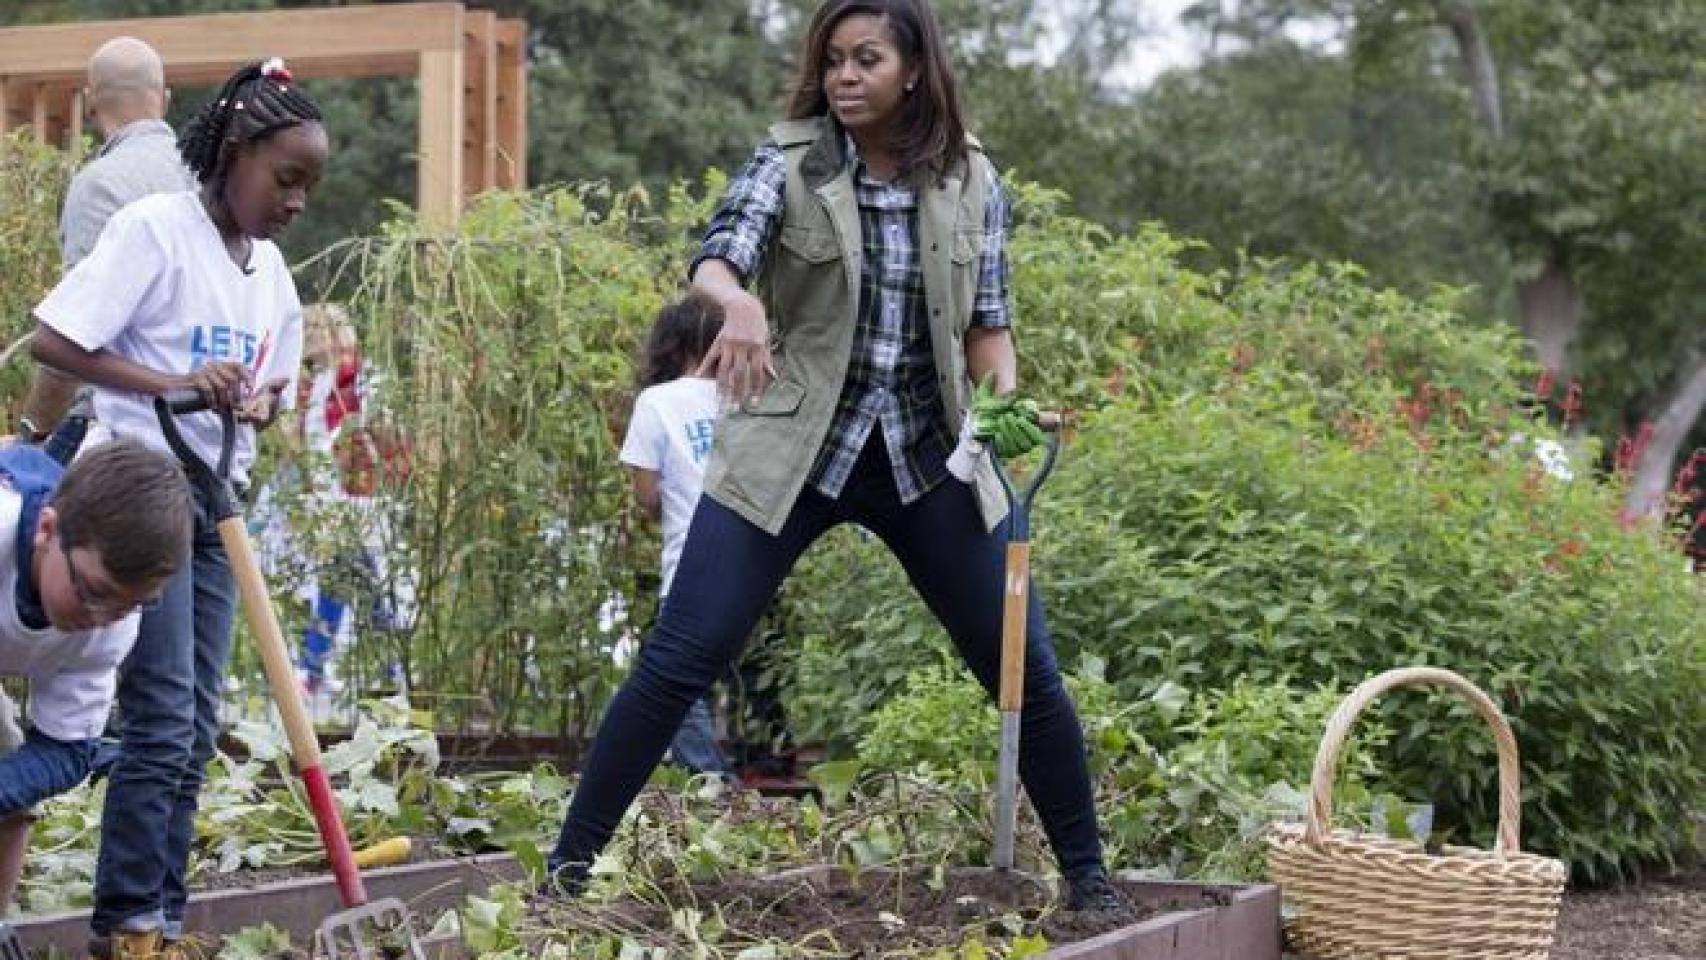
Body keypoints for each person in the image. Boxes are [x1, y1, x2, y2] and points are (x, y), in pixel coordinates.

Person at [547, 0, 1120, 910]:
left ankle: (1091, 881)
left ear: (915, 72)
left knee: (1025, 670)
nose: (843, 78)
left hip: (931, 460)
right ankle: (564, 873)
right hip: (792, 452)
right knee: (678, 658)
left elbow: (990, 329)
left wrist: (1000, 399)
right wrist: (734, 302)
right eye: (832, 61)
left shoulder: (973, 182)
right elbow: (717, 260)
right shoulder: (790, 165)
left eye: (865, 60)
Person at [28, 57, 324, 959]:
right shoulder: (156, 229)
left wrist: (257, 399)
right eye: (285, 178)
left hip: (215, 504)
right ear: (233, 153)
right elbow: (57, 339)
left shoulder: (267, 269)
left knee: (196, 719)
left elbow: (276, 382)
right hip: (134, 494)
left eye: (310, 186)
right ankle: (128, 925)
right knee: (158, 714)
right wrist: (178, 382)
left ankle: (163, 910)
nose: (296, 202)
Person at [0, 441, 191, 913]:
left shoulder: (113, 624)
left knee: (9, 787)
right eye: (93, 592)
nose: (103, 616)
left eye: (128, 604)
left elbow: (67, 749)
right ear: (47, 529)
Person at [14, 37, 192, 461]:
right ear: (165, 99)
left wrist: (31, 435)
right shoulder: (207, 177)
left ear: (91, 101)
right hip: (204, 427)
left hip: (117, 431)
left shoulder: (100, 184)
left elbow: (77, 334)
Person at [620, 292, 737, 779]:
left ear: (673, 342)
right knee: (709, 678)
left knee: (669, 678)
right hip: (753, 559)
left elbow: (646, 495)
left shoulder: (658, 402)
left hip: (689, 558)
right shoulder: (749, 398)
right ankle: (710, 777)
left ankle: (713, 779)